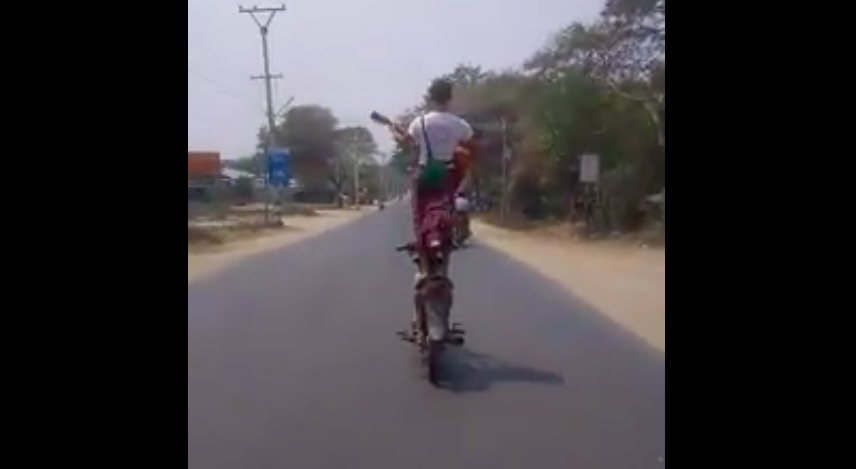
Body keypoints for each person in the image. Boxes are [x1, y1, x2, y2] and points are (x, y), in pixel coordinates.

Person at [402, 79, 476, 281]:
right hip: (447, 174)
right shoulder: (460, 124)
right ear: (450, 97)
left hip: (425, 172)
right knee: (447, 214)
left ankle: (424, 267)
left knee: (419, 216)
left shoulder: (420, 122)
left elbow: (409, 143)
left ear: (431, 98)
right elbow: (469, 144)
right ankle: (443, 266)